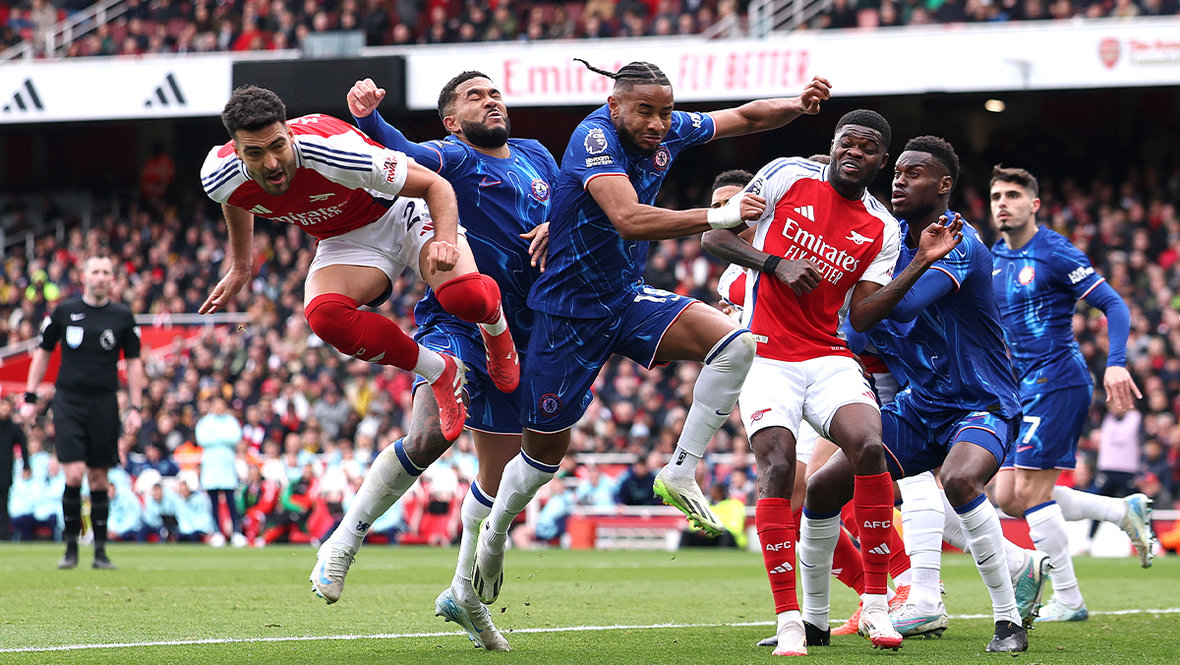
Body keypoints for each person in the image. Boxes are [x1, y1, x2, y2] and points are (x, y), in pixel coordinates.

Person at [472, 60, 832, 611]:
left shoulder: (665, 130)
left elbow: (745, 116)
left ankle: (681, 470)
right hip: (568, 313)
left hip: (626, 297)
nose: (659, 123)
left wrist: (797, 104)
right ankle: (495, 535)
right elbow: (630, 219)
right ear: (615, 105)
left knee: (736, 342)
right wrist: (719, 215)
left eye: (666, 112)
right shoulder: (594, 137)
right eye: (645, 111)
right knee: (544, 452)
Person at [308, 71, 559, 652]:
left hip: (531, 328)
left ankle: (464, 594)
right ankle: (344, 540)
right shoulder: (453, 155)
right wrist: (369, 118)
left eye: (494, 93)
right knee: (430, 435)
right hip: (458, 323)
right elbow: (403, 153)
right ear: (452, 121)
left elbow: (576, 201)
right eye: (475, 97)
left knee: (499, 480)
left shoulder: (536, 154)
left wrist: (560, 222)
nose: (491, 101)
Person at [702, 111, 952, 654]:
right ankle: (791, 619)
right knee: (778, 467)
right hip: (766, 354)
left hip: (827, 354)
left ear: (882, 160)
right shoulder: (787, 174)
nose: (854, 152)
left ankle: (879, 605)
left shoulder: (882, 226)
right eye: (847, 142)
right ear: (833, 144)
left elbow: (862, 315)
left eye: (868, 147)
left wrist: (921, 264)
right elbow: (714, 236)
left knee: (869, 446)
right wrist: (774, 264)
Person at [802, 136, 1032, 653]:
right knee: (822, 488)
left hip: (981, 401)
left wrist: (870, 288)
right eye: (897, 173)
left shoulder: (958, 242)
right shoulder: (884, 246)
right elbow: (858, 333)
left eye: (914, 173)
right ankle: (814, 623)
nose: (900, 181)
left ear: (944, 185)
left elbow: (901, 308)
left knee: (959, 479)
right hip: (920, 405)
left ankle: (1008, 621)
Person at [199, 85, 519, 447]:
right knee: (325, 316)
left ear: (289, 134)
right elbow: (232, 197)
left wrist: (445, 241)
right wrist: (241, 266)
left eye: (277, 146)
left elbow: (436, 185)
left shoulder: (334, 152)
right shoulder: (218, 174)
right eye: (255, 153)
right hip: (345, 236)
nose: (271, 163)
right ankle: (440, 371)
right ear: (237, 152)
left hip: (402, 208)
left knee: (465, 297)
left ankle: (496, 329)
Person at [987, 165, 1153, 623]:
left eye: (1013, 195)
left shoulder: (1055, 251)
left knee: (1030, 491)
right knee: (1008, 496)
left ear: (1034, 204)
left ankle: (1069, 598)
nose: (1003, 203)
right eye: (997, 196)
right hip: (1018, 387)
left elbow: (1113, 304)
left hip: (1057, 379)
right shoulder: (994, 257)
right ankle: (1120, 511)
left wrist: (1115, 362)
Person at [20, 254, 145, 570]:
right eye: (95, 271)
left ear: (112, 278)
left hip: (104, 403)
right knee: (74, 473)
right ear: (84, 276)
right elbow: (42, 353)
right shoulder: (63, 312)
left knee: (99, 478)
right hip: (69, 401)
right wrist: (30, 396)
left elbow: (134, 363)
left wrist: (135, 406)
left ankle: (100, 552)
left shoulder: (123, 317)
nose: (100, 277)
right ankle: (71, 548)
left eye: (106, 272)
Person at [196, 395, 247, 547]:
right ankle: (217, 532)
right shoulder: (205, 422)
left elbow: (235, 438)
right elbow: (202, 439)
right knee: (213, 502)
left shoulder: (231, 421)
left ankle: (236, 532)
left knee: (231, 501)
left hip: (226, 466)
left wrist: (215, 436)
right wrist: (223, 437)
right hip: (211, 467)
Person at [0, 396, 30, 540]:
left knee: (4, 505)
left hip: (5, 472)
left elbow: (24, 447)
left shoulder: (13, 429)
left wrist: (26, 465)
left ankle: (4, 535)